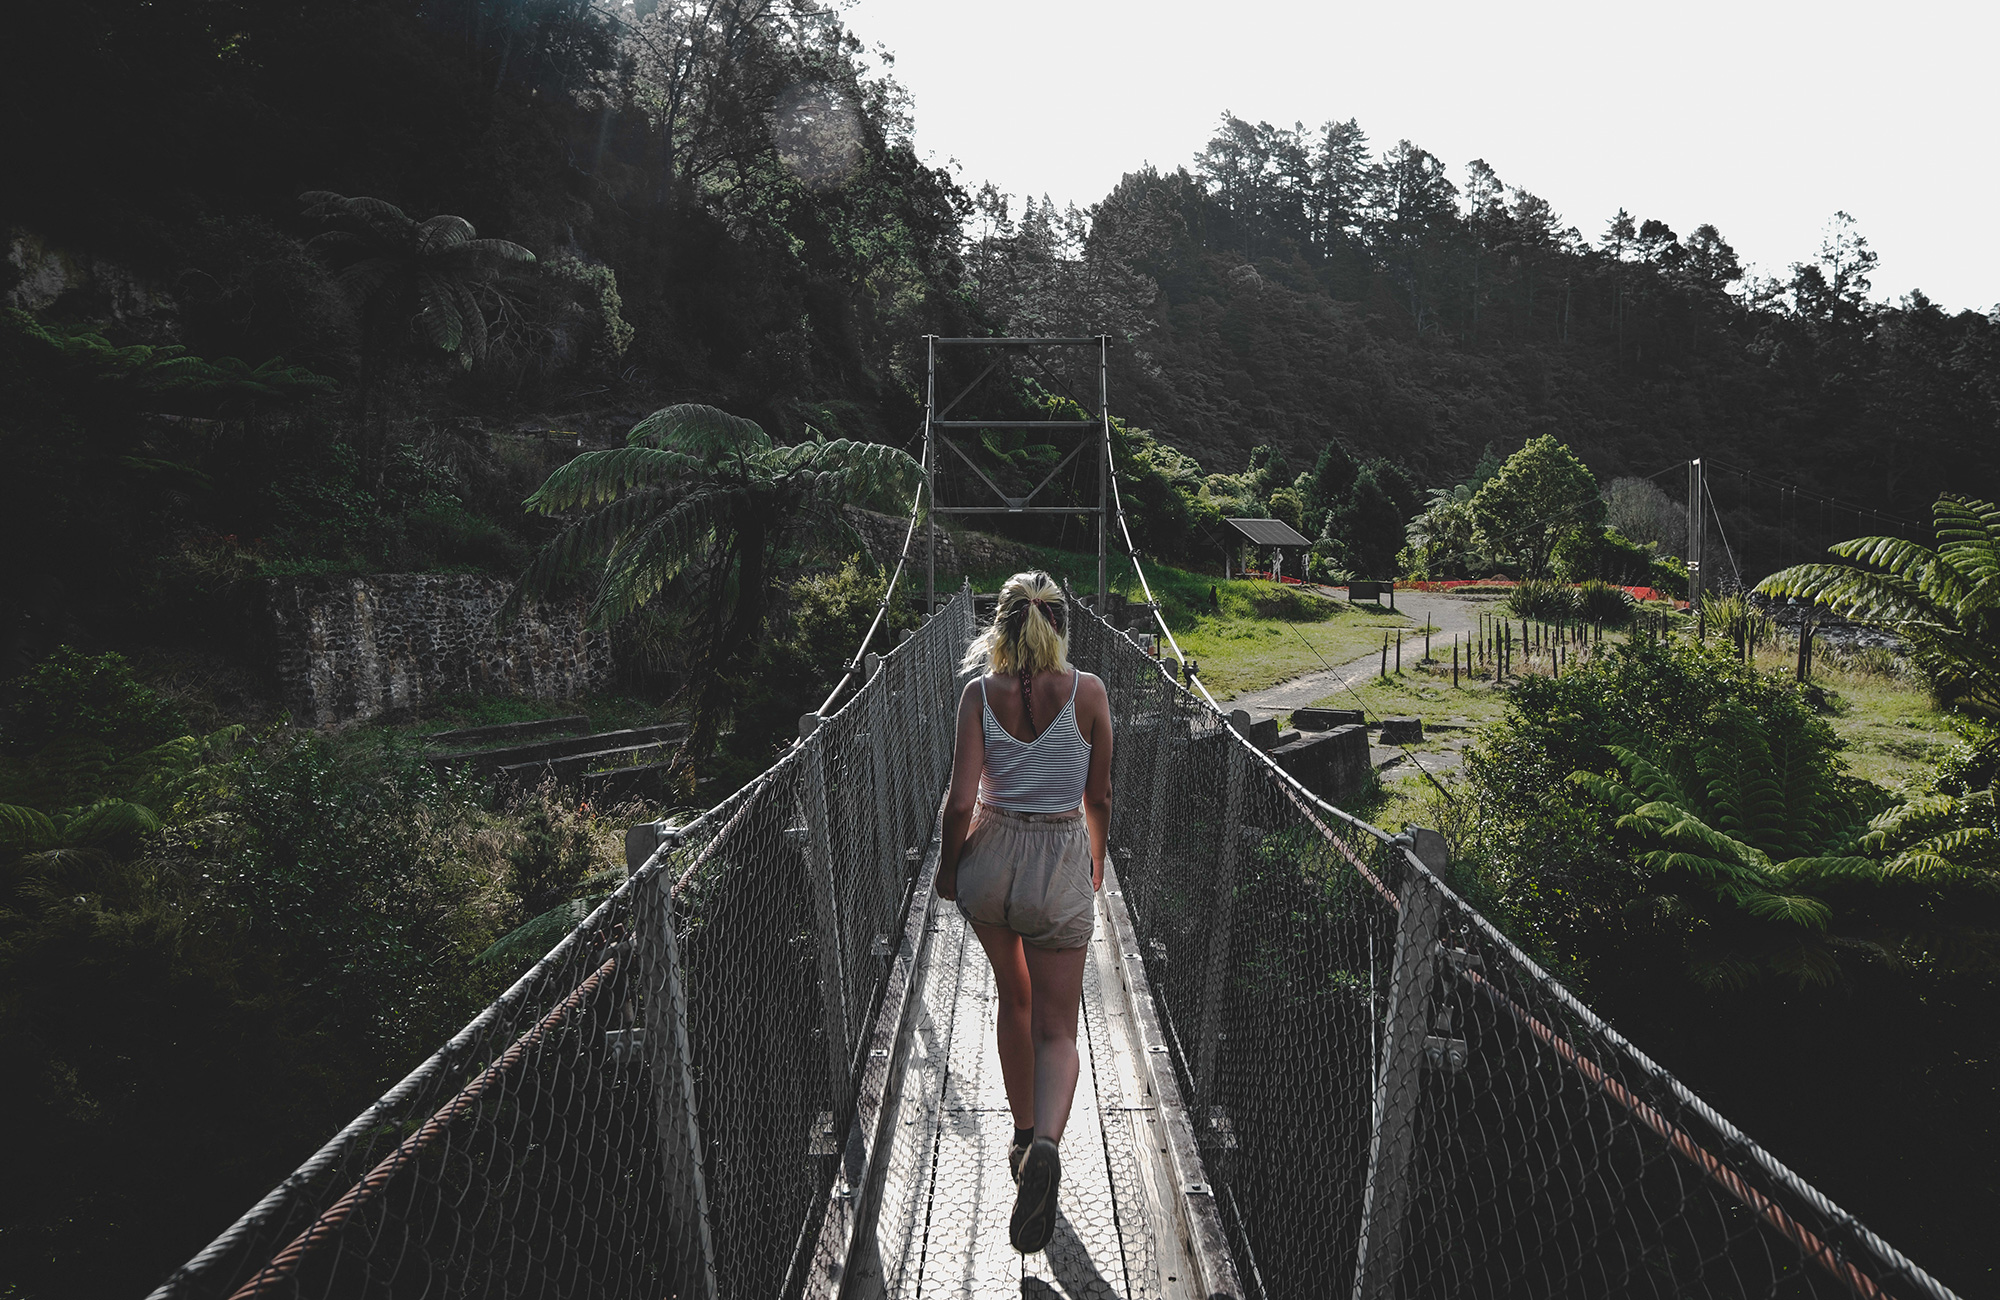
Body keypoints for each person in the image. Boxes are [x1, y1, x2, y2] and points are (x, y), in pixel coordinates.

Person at [934, 570, 1114, 1256]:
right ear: (1061, 626)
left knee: (1014, 1000)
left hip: (993, 862)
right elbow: (1098, 798)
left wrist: (952, 869)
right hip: (1058, 859)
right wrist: (1094, 861)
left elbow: (958, 804)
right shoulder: (1091, 692)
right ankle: (1045, 1145)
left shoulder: (979, 694)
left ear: (1000, 627)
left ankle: (1016, 1136)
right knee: (1058, 1031)